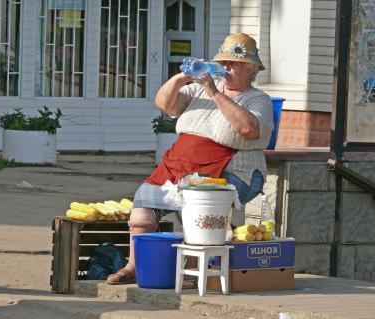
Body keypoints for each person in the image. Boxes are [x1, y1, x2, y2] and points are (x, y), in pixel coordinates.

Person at [106, 33, 274, 285]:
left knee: (198, 209)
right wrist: (181, 77)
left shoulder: (257, 98)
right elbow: (165, 104)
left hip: (230, 167)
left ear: (251, 69)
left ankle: (194, 271)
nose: (227, 67)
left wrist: (215, 93)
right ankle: (134, 266)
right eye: (224, 62)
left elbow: (249, 129)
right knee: (142, 212)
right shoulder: (198, 89)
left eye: (235, 63)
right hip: (179, 163)